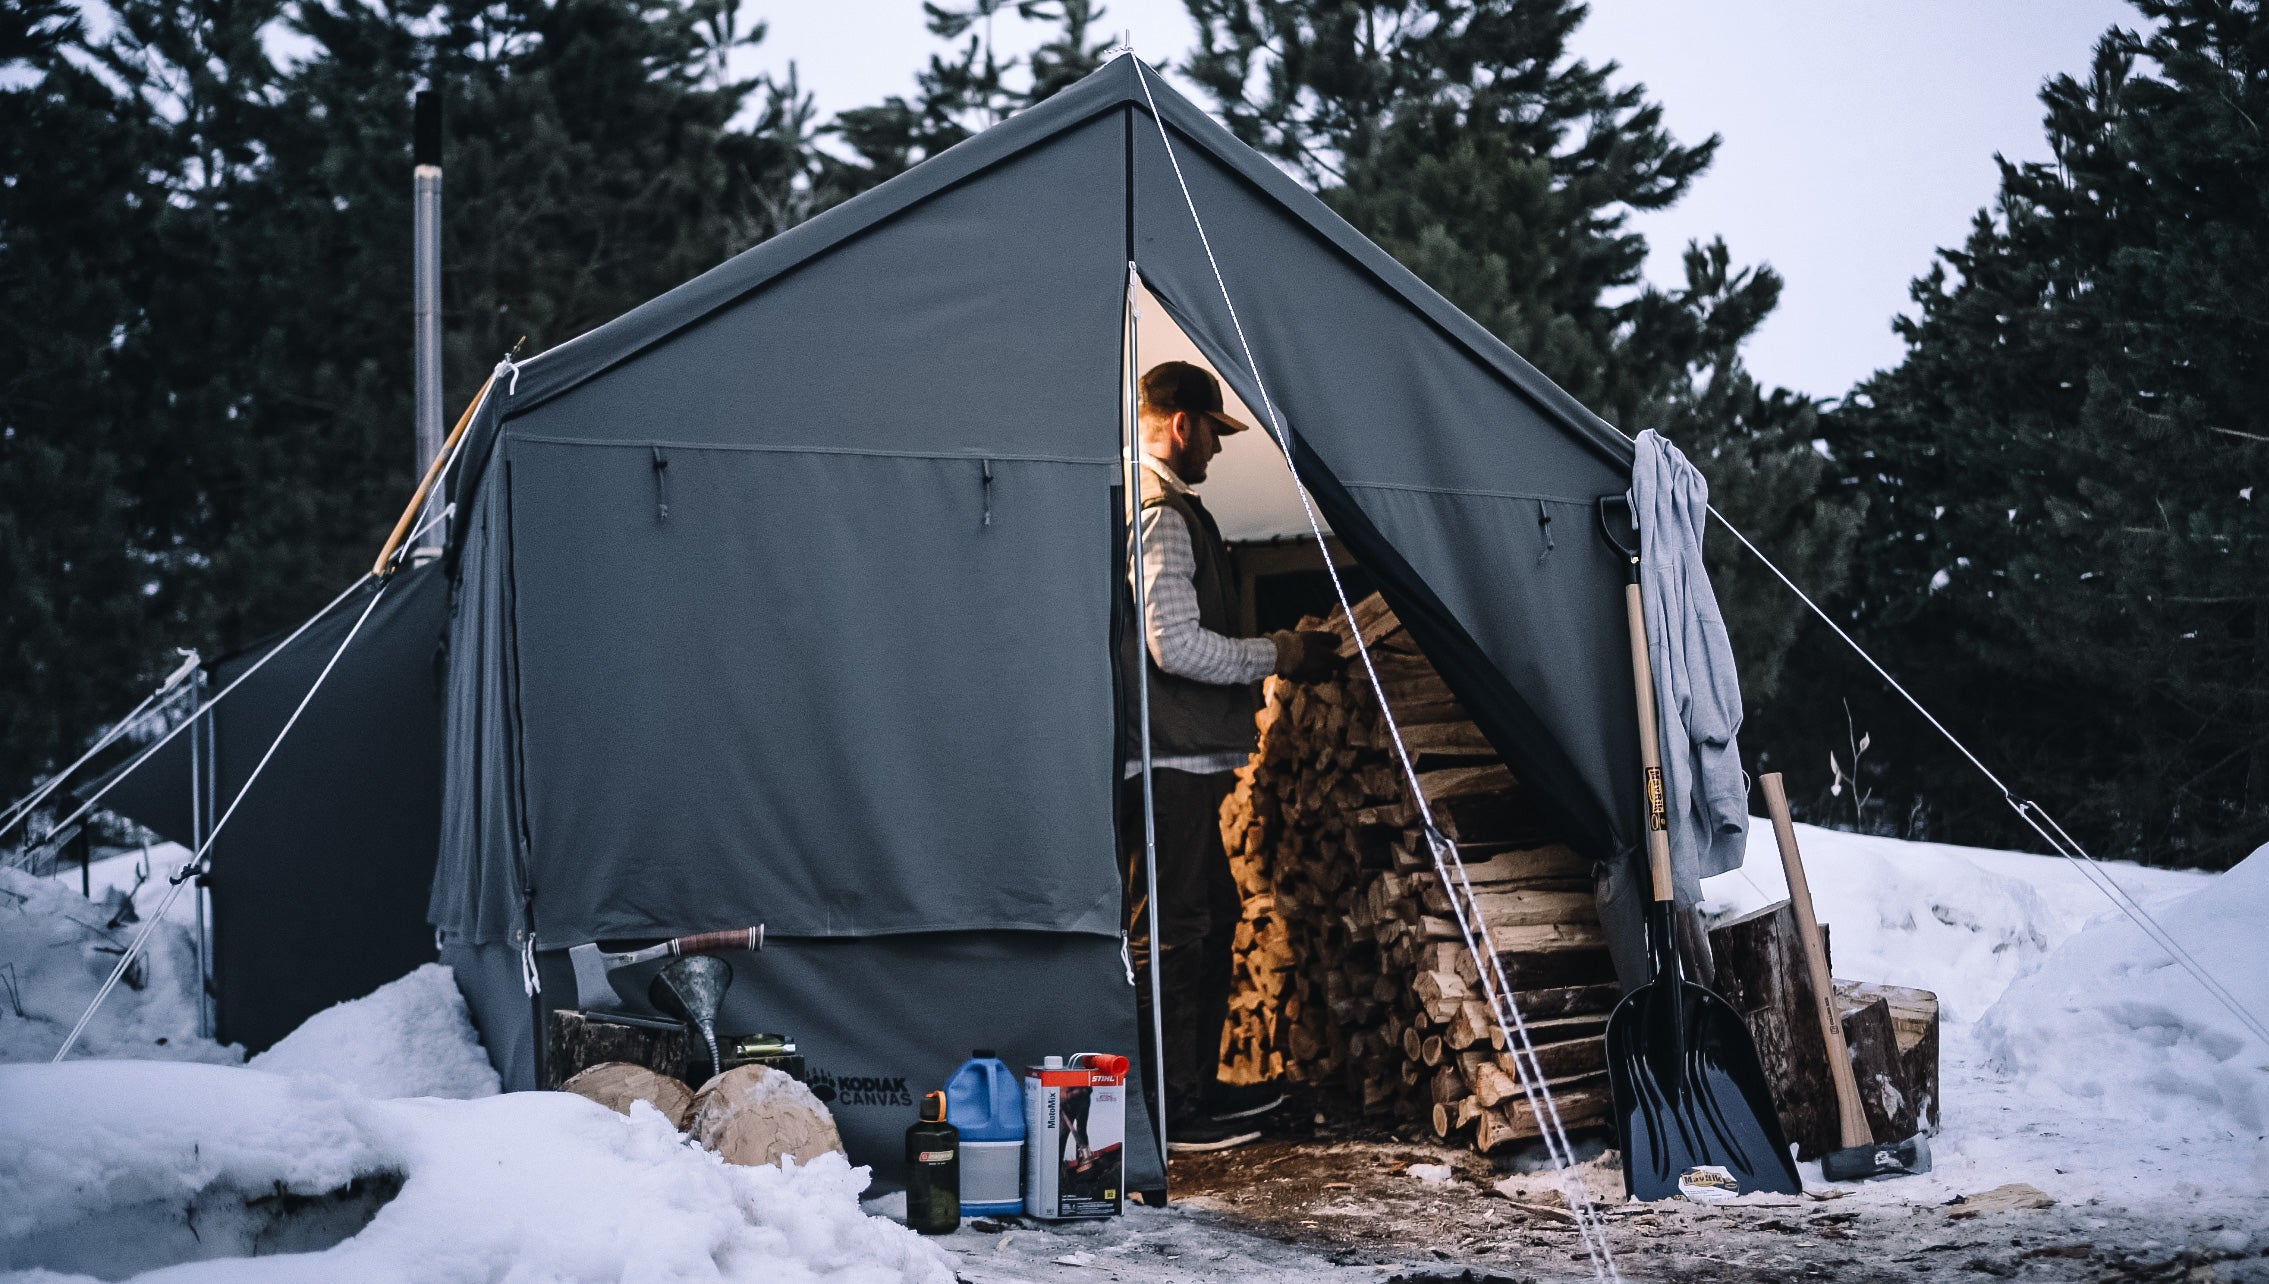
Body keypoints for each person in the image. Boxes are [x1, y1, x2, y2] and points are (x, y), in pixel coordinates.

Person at [1121, 361, 1338, 1153]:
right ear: (1181, 423)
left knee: (1203, 920)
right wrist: (1278, 651)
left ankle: (1190, 1092)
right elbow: (1171, 644)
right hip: (1165, 765)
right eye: (1213, 431)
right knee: (1179, 931)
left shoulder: (1157, 506)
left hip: (1176, 765)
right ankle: (1171, 1110)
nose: (1215, 450)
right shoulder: (1161, 512)